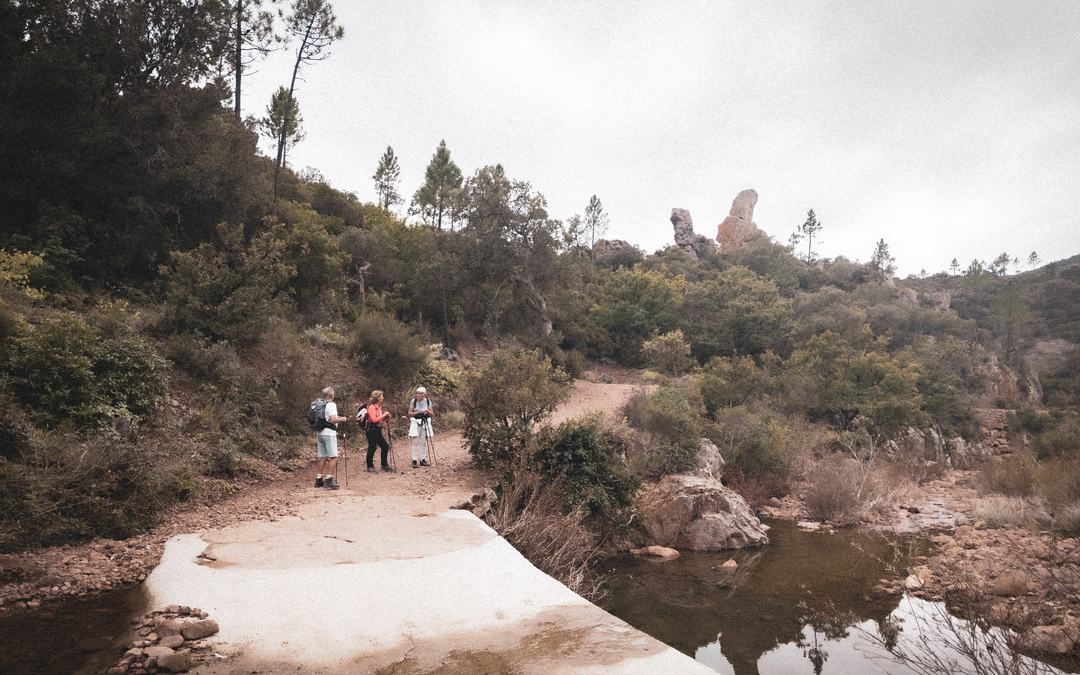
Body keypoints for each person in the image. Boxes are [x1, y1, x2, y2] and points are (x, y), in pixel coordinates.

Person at [315, 387, 349, 489]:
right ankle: (329, 479)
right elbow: (333, 419)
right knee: (333, 456)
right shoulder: (331, 405)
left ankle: (319, 479)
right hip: (329, 433)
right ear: (331, 395)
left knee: (323, 456)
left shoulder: (319, 404)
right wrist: (343, 419)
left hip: (320, 433)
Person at [362, 390, 392, 472]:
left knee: (385, 446)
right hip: (371, 430)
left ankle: (384, 465)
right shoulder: (371, 407)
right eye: (381, 396)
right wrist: (384, 415)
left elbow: (379, 420)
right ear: (378, 398)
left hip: (377, 429)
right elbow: (374, 420)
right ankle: (369, 466)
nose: (383, 398)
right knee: (372, 447)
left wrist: (384, 418)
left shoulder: (378, 407)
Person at [408, 386, 435, 468]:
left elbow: (432, 414)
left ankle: (423, 459)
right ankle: (414, 460)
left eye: (419, 393)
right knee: (415, 441)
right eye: (417, 393)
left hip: (424, 423)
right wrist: (418, 412)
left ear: (424, 395)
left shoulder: (428, 402)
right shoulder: (413, 401)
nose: (417, 395)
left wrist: (426, 410)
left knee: (423, 442)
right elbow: (409, 413)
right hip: (415, 422)